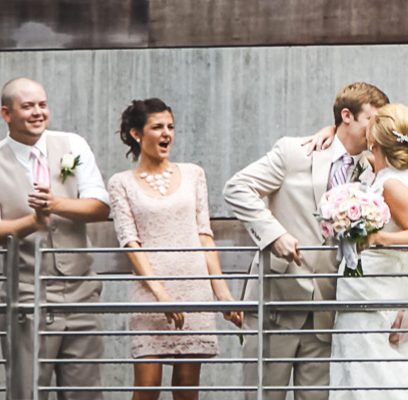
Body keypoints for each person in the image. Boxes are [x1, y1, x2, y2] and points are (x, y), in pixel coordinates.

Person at [224, 82, 389, 400]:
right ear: (347, 116)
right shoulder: (295, 152)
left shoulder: (372, 173)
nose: (377, 129)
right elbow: (237, 188)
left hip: (325, 313)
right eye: (372, 119)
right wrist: (275, 236)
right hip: (277, 302)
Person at [107, 98, 243, 400]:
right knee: (146, 387)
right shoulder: (121, 183)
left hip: (193, 288)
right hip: (150, 292)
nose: (166, 133)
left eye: (170, 126)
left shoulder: (194, 174)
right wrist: (160, 294)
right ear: (136, 134)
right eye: (157, 127)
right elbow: (130, 241)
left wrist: (222, 294)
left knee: (185, 387)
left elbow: (204, 236)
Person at [329, 103, 408, 400]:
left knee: (380, 370)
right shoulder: (376, 177)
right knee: (359, 367)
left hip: (373, 296)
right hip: (360, 290)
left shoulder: (393, 186)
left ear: (374, 139)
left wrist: (378, 238)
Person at [0, 77, 109, 399]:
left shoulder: (72, 145)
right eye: (28, 106)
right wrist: (32, 222)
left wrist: (57, 204)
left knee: (85, 393)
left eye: (42, 104)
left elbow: (100, 206)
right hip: (25, 299)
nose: (38, 112)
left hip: (81, 292)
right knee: (27, 391)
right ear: (7, 114)